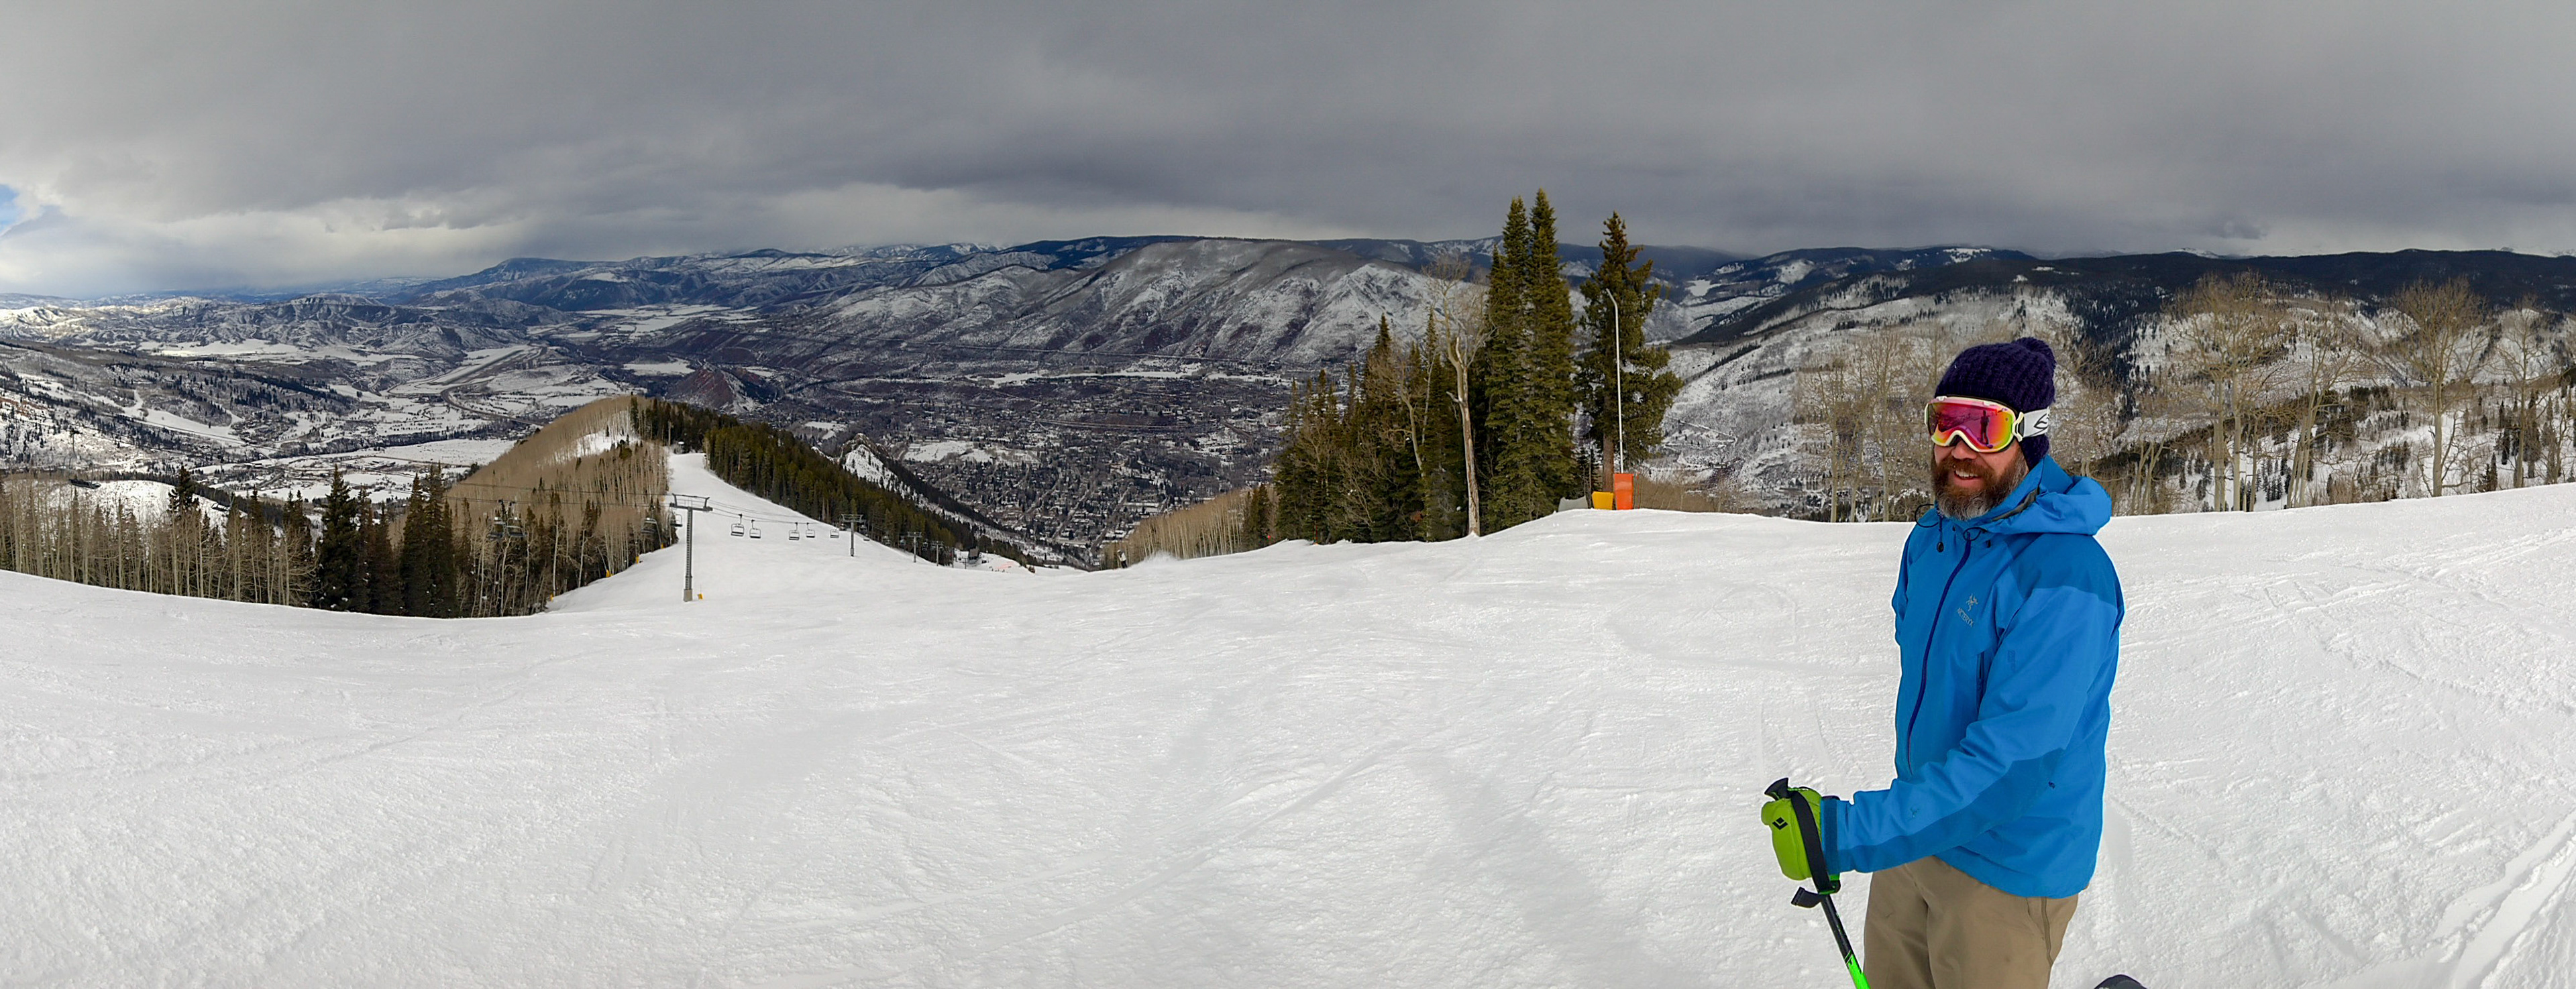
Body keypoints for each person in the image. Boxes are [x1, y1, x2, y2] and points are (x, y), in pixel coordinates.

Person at [1761, 337, 2125, 989]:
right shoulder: (1934, 537)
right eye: (1945, 421)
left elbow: (2007, 768)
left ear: (2031, 437)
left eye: (1984, 427)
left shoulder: (2066, 578)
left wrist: (1845, 833)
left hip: (2006, 868)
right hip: (1918, 832)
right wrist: (1894, 827)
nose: (1958, 446)